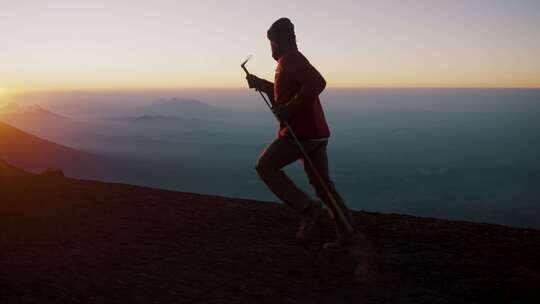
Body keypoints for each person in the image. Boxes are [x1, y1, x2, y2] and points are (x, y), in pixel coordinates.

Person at [246, 17, 357, 251]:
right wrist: (262, 84)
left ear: (276, 42)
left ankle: (308, 210)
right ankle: (347, 234)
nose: (270, 48)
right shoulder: (292, 60)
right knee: (322, 184)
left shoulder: (290, 60)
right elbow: (290, 92)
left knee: (265, 166)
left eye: (271, 43)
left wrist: (289, 110)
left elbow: (318, 82)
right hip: (316, 133)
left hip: (300, 133)